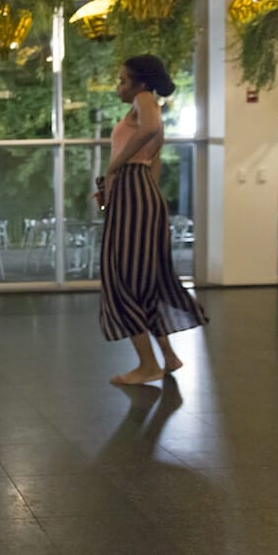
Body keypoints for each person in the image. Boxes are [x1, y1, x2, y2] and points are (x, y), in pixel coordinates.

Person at [99, 54, 208, 386]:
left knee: (122, 281)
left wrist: (115, 167)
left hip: (135, 194)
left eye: (122, 80)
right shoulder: (141, 106)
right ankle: (168, 357)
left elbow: (151, 130)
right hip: (139, 194)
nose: (118, 86)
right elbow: (154, 156)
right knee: (143, 279)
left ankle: (149, 365)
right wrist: (113, 189)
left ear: (140, 84)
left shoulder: (144, 101)